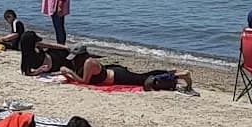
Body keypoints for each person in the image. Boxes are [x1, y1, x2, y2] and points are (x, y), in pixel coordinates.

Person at [60, 47, 194, 93]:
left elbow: (85, 82)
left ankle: (180, 75)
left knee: (144, 79)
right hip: (113, 72)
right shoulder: (87, 61)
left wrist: (70, 73)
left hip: (118, 76)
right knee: (144, 76)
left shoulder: (89, 63)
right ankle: (171, 72)